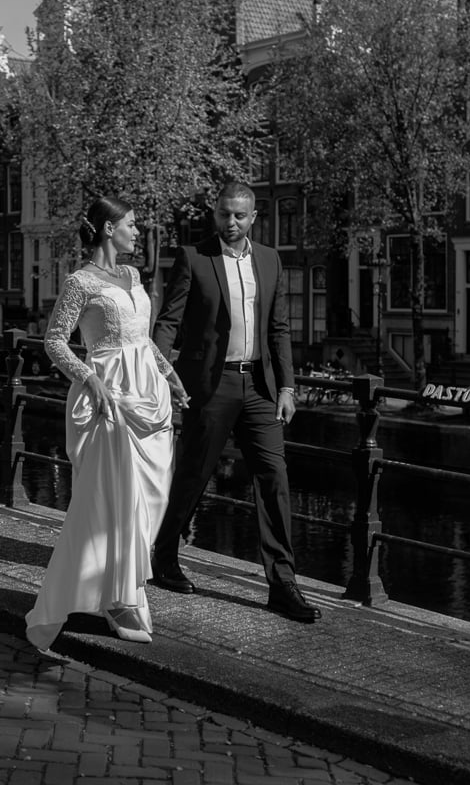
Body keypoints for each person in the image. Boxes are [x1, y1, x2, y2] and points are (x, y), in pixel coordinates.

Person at [150, 181, 321, 623]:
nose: (231, 223)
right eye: (224, 214)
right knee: (194, 474)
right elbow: (168, 322)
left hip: (260, 387)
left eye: (239, 216)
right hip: (211, 386)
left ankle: (282, 584)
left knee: (274, 477)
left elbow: (279, 328)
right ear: (215, 213)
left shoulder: (269, 259)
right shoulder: (194, 257)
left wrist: (287, 387)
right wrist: (160, 373)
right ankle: (164, 555)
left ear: (253, 218)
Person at [25, 196, 189, 650]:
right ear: (108, 229)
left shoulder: (133, 276)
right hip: (110, 400)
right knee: (114, 503)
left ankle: (120, 589)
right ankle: (119, 600)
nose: (137, 232)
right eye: (131, 225)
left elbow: (141, 339)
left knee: (153, 498)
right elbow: (54, 341)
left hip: (149, 398)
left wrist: (169, 373)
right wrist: (89, 378)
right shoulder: (80, 282)